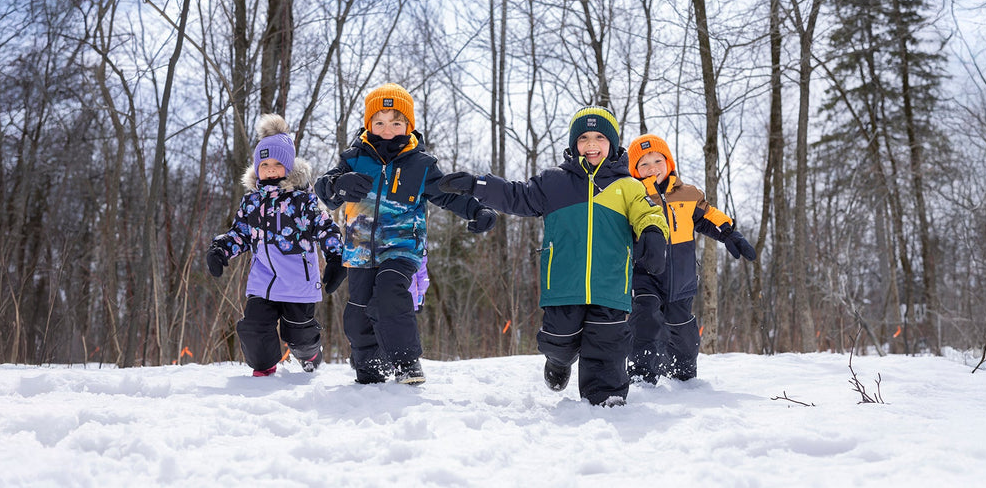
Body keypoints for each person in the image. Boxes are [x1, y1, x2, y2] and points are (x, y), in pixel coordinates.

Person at [438, 106, 669, 406]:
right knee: (559, 339)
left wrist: (653, 233)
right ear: (574, 144)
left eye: (600, 136)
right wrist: (477, 185)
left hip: (610, 283)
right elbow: (515, 195)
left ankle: (607, 395)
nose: (591, 144)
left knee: (608, 342)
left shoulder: (627, 186)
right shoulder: (554, 182)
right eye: (584, 137)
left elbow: (648, 212)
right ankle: (559, 361)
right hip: (562, 283)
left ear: (612, 144)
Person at [315, 83, 497, 385]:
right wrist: (337, 186)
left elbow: (448, 194)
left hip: (402, 248)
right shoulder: (353, 159)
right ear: (369, 124)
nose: (388, 129)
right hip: (360, 250)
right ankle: (369, 365)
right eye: (380, 122)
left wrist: (478, 210)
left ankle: (406, 361)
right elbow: (328, 189)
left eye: (396, 122)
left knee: (389, 291)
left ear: (408, 125)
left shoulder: (421, 164)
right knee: (359, 310)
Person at [206, 114, 346, 377]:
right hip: (263, 281)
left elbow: (326, 227)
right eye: (264, 163)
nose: (270, 169)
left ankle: (310, 354)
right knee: (254, 327)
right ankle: (264, 367)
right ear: (257, 168)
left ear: (289, 167)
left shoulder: (303, 201)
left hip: (298, 284)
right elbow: (241, 233)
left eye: (277, 163)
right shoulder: (252, 203)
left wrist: (336, 257)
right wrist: (221, 249)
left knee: (299, 334)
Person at [624, 133, 756, 384]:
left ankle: (684, 377)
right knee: (646, 319)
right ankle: (641, 375)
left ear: (669, 162)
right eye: (644, 164)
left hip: (681, 278)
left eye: (657, 160)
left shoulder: (688, 194)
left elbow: (708, 216)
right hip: (645, 275)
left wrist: (729, 233)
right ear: (635, 170)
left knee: (683, 330)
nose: (652, 168)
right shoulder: (633, 198)